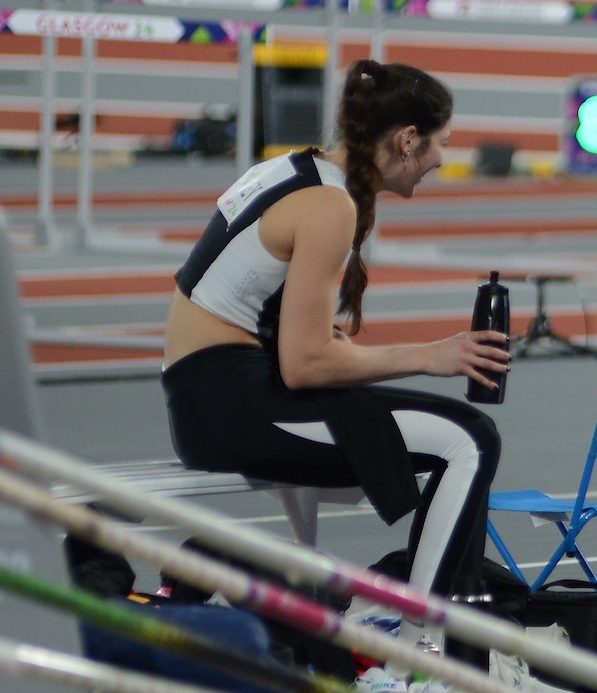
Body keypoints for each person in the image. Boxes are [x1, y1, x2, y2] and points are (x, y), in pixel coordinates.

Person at [161, 60, 509, 628]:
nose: (443, 160)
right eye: (442, 143)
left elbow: (234, 295)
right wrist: (431, 356)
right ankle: (427, 652)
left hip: (208, 395)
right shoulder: (330, 205)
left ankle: (421, 630)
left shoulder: (292, 169)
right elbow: (304, 365)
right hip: (227, 406)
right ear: (407, 140)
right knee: (469, 439)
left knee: (450, 431)